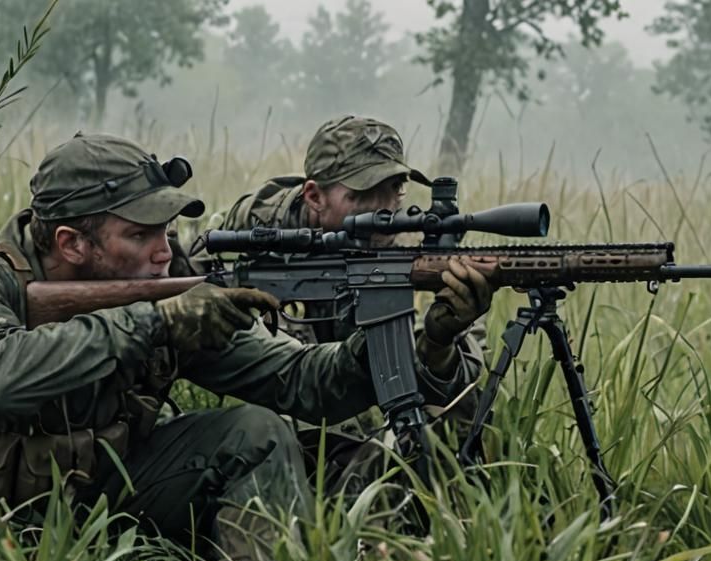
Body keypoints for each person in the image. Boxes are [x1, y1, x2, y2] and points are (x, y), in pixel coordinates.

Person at [0, 132, 491, 561]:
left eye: (170, 228)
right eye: (144, 232)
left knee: (257, 433)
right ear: (71, 243)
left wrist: (423, 344)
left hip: (94, 491)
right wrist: (156, 323)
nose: (166, 248)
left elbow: (301, 384)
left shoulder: (161, 279)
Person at [189, 116, 491, 487]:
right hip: (276, 426)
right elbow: (187, 290)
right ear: (314, 196)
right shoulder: (252, 234)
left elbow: (460, 387)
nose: (385, 210)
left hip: (371, 419)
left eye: (396, 187)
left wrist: (439, 343)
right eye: (363, 193)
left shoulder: (416, 251)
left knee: (452, 429)